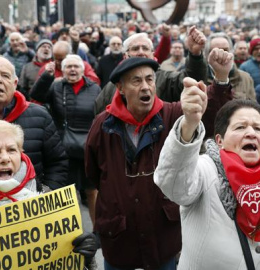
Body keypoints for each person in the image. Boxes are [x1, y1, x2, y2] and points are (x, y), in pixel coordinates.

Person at [85, 48, 233, 270]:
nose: (145, 86)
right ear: (120, 88)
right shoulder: (102, 125)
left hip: (163, 237)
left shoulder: (172, 114)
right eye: (136, 81)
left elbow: (210, 115)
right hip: (118, 238)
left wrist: (220, 78)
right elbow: (93, 175)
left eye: (149, 79)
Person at [154, 98, 260, 269]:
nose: (251, 133)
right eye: (240, 127)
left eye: (257, 128)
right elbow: (173, 183)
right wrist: (189, 125)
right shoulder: (204, 168)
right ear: (220, 140)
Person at [0, 119, 97, 265]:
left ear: (21, 154)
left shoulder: (49, 201)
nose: (5, 158)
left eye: (11, 150)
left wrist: (86, 259)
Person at [30, 54, 101, 206]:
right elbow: (36, 95)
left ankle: (96, 229)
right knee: (67, 192)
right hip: (63, 148)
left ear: (83, 70)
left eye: (76, 66)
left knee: (91, 190)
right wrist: (46, 77)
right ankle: (74, 229)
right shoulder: (56, 86)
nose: (72, 70)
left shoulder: (95, 88)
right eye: (69, 67)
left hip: (87, 148)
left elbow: (100, 115)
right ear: (62, 71)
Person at [0, 55, 68, 191]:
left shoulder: (40, 116)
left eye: (5, 76)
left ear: (15, 84)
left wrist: (45, 193)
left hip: (31, 207)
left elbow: (57, 163)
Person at [95, 25, 207, 114]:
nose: (141, 52)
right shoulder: (112, 87)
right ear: (125, 56)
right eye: (135, 49)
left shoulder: (166, 79)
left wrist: (195, 54)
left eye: (145, 48)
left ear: (153, 55)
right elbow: (99, 117)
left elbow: (192, 81)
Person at [204, 32, 256, 101]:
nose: (222, 54)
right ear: (207, 55)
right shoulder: (200, 79)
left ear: (232, 52)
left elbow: (253, 107)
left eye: (226, 50)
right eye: (216, 51)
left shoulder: (245, 78)